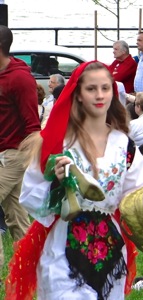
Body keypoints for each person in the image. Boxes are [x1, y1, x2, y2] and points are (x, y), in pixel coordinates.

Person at [5, 61, 143, 299]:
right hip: (62, 250)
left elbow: (132, 202)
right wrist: (56, 184)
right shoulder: (57, 142)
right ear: (78, 94)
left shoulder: (125, 145)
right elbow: (30, 198)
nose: (99, 95)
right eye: (91, 89)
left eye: (105, 88)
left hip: (111, 252)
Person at [0, 25, 40, 274]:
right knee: (16, 216)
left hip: (13, 155)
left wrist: (27, 161)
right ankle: (32, 267)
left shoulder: (20, 79)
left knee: (15, 214)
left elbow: (33, 126)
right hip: (4, 154)